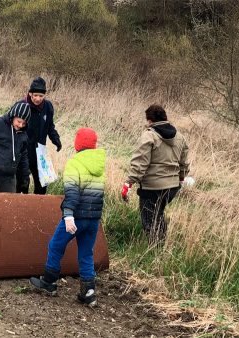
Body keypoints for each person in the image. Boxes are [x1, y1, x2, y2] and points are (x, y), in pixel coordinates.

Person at [30, 128, 105, 307]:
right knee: (86, 253)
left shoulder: (75, 163)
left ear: (77, 144)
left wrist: (69, 215)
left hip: (76, 216)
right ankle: (88, 291)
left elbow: (72, 193)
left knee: (56, 245)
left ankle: (49, 283)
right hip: (94, 219)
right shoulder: (100, 166)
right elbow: (97, 195)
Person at [121, 104, 190, 244]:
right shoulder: (180, 137)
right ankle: (163, 244)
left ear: (150, 120)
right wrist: (181, 178)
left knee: (149, 220)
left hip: (152, 188)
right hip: (172, 187)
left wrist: (129, 182)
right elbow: (184, 162)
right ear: (165, 118)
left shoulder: (149, 135)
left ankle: (156, 251)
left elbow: (140, 162)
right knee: (158, 213)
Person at [15, 76, 61, 195]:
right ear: (30, 93)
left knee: (42, 183)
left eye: (41, 96)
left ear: (44, 96)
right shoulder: (21, 105)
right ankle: (21, 205)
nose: (38, 98)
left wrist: (56, 139)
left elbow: (50, 126)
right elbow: (13, 125)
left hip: (40, 150)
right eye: (35, 95)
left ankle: (38, 208)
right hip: (23, 150)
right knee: (22, 182)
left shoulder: (48, 107)